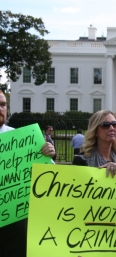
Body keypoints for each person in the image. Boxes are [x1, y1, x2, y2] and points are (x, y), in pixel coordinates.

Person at [0, 91, 56, 257]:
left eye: (3, 105)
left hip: (14, 223)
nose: (0, 109)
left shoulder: (21, 139)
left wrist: (48, 155)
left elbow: (48, 176)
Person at [72, 110, 116, 175]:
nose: (112, 128)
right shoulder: (81, 158)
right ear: (95, 131)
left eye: (115, 124)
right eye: (105, 125)